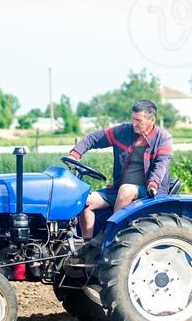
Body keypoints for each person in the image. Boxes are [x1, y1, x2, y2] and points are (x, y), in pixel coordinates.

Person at [69, 99, 173, 240]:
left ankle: (108, 237)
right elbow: (94, 138)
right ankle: (87, 245)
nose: (134, 124)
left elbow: (161, 164)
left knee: (126, 190)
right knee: (84, 201)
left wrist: (153, 184)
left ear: (152, 120)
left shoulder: (163, 138)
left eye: (139, 120)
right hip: (119, 190)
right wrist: (75, 154)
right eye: (133, 119)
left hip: (150, 192)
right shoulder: (124, 132)